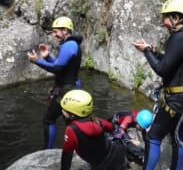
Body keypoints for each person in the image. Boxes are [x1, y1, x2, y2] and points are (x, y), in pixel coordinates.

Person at [133, 0, 183, 170]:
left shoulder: (180, 37)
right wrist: (155, 53)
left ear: (177, 18)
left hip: (175, 99)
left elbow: (162, 70)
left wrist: (146, 51)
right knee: (177, 137)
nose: (162, 22)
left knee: (153, 136)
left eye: (165, 17)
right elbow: (173, 65)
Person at [27, 16, 83, 149]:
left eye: (56, 31)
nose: (54, 34)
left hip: (66, 90)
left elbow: (57, 69)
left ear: (65, 30)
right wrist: (47, 57)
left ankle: (48, 151)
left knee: (48, 119)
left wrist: (37, 61)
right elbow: (61, 67)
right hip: (70, 88)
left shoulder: (69, 45)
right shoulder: (71, 44)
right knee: (70, 121)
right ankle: (78, 148)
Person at [60, 89, 127, 170]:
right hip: (115, 155)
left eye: (64, 111)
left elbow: (67, 156)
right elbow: (112, 127)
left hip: (100, 164)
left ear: (72, 115)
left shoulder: (71, 130)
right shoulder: (97, 121)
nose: (62, 112)